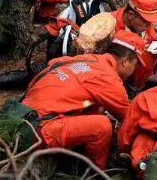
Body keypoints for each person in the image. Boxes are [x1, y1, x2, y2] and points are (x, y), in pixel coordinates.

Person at [20, 30, 143, 169]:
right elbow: (130, 117)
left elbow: (41, 75)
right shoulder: (108, 78)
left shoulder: (86, 59)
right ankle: (95, 172)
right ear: (125, 61)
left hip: (22, 116)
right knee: (102, 125)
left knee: (95, 108)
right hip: (38, 131)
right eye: (136, 64)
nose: (135, 69)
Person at [111, 0, 157, 89]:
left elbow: (152, 39)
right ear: (131, 15)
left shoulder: (142, 24)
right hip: (114, 77)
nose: (149, 24)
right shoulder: (109, 27)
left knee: (149, 56)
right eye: (147, 21)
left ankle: (134, 88)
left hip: (133, 76)